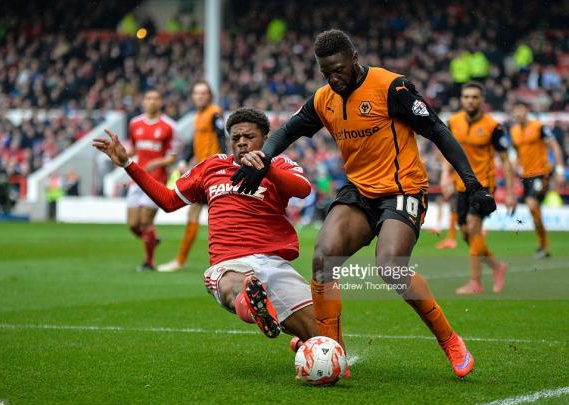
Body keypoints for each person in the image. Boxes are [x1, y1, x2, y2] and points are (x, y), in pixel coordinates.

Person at [232, 29, 497, 378]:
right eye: (326, 72)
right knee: (323, 257)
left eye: (339, 69)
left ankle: (449, 340)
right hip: (360, 192)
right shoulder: (324, 98)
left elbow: (438, 131)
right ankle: (331, 349)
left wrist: (473, 184)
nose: (334, 78)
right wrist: (263, 157)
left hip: (403, 190)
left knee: (390, 266)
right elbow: (288, 130)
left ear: (354, 58)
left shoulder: (392, 88)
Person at [93, 108, 318, 346]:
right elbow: (169, 201)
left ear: (265, 138)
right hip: (230, 262)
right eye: (235, 138)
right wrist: (129, 164)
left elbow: (302, 190)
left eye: (249, 137)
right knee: (238, 286)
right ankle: (255, 308)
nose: (241, 142)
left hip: (273, 263)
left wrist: (266, 168)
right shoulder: (212, 167)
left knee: (326, 340)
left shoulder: (281, 164)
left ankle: (298, 338)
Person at [442, 82, 516, 295]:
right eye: (466, 97)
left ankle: (475, 283)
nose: (470, 100)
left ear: (482, 100)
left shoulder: (494, 127)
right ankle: (497, 267)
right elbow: (449, 152)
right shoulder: (453, 122)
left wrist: (510, 193)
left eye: (475, 97)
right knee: (465, 233)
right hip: (460, 184)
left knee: (474, 229)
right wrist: (445, 176)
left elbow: (506, 160)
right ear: (461, 99)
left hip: (483, 185)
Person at [158, 80, 226, 272]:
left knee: (214, 216)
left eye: (203, 93)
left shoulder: (214, 113)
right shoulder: (199, 116)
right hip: (203, 171)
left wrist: (222, 165)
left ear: (209, 96)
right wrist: (184, 160)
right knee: (199, 214)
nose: (200, 96)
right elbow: (194, 142)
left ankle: (183, 260)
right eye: (197, 93)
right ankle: (183, 259)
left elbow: (222, 137)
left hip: (212, 171)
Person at [126, 89, 177, 271]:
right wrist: (118, 152)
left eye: (156, 98)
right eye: (148, 98)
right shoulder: (135, 123)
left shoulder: (169, 126)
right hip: (136, 179)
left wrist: (156, 162)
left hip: (156, 180)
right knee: (132, 224)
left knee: (146, 222)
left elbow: (172, 156)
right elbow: (133, 149)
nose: (152, 102)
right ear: (143, 101)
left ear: (161, 102)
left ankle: (149, 262)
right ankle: (152, 240)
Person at [509, 102, 565, 258]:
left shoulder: (538, 127)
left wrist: (560, 170)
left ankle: (543, 245)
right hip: (526, 176)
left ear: (526, 111)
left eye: (521, 111)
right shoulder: (513, 131)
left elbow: (554, 146)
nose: (518, 114)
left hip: (542, 173)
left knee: (532, 204)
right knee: (534, 210)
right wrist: (514, 166)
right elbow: (515, 152)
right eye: (516, 112)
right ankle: (543, 245)